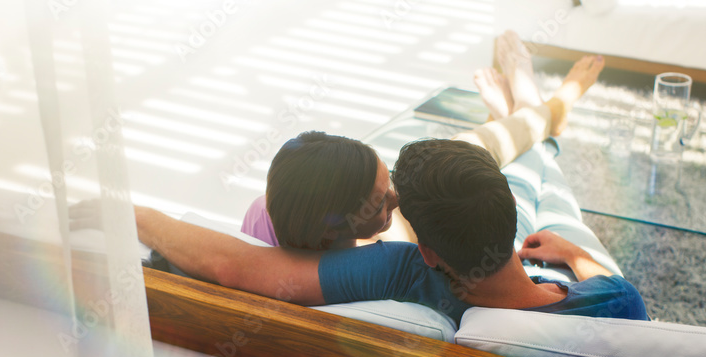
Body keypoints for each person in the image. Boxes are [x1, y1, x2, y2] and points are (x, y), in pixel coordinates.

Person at [70, 33, 646, 325]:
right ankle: (544, 113)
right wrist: (576, 257)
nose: (391, 202)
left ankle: (530, 117)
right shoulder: (619, 302)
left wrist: (134, 213)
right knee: (538, 173)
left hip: (501, 236)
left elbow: (237, 266)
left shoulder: (404, 271)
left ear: (424, 251)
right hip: (536, 256)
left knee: (526, 160)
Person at [240, 31, 596, 251]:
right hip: (418, 224)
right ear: (334, 231)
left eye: (388, 182)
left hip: (392, 223)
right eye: (380, 202)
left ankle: (520, 116)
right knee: (480, 157)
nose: (399, 196)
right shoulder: (380, 265)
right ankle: (548, 108)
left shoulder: (264, 212)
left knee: (465, 147)